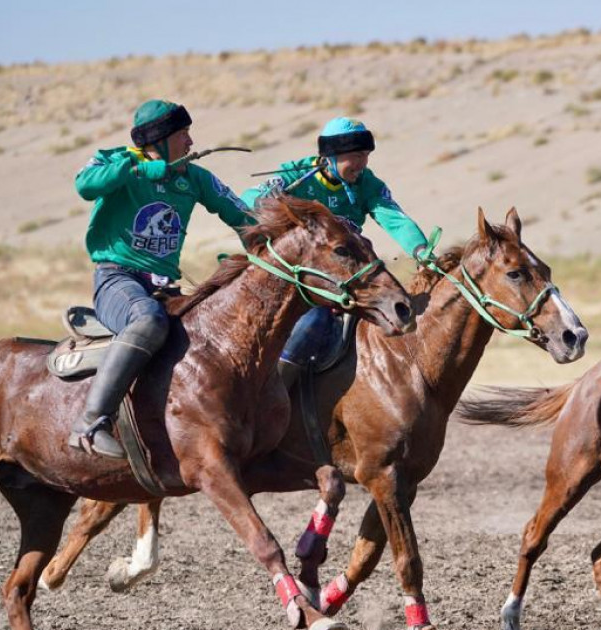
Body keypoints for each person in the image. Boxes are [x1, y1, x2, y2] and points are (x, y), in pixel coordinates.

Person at [70, 100, 253, 458]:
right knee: (147, 320)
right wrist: (136, 170)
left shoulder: (195, 177)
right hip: (117, 279)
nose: (190, 141)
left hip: (164, 286)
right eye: (183, 134)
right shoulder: (115, 160)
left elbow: (243, 217)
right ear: (160, 139)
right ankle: (90, 422)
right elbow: (85, 186)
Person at [242, 117, 431, 388]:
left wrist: (421, 249)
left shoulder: (367, 183)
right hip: (302, 281)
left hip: (350, 276)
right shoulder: (295, 175)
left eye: (365, 155)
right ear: (330, 155)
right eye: (355, 156)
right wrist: (271, 201)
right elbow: (249, 199)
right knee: (314, 323)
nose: (362, 164)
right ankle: (273, 393)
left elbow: (394, 218)